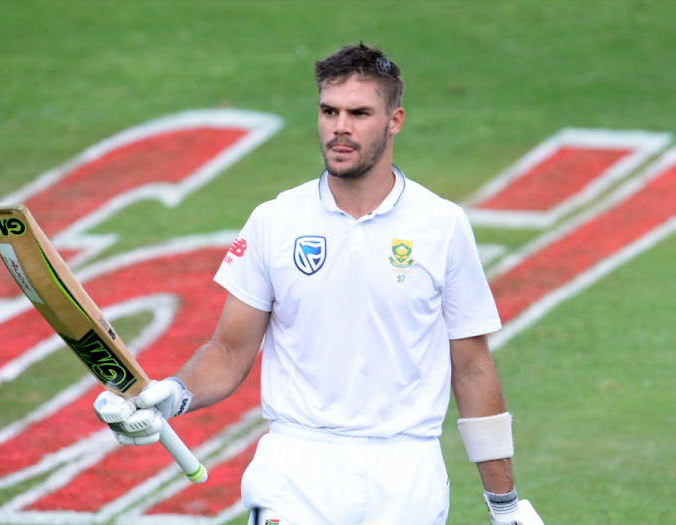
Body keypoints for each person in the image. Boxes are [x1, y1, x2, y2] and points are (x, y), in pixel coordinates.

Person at [93, 42, 544, 525]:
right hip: (298, 465)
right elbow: (228, 350)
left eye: (359, 113)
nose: (340, 127)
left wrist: (505, 505)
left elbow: (472, 368)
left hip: (406, 471)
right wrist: (177, 392)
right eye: (329, 111)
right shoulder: (275, 220)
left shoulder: (443, 225)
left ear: (395, 121)